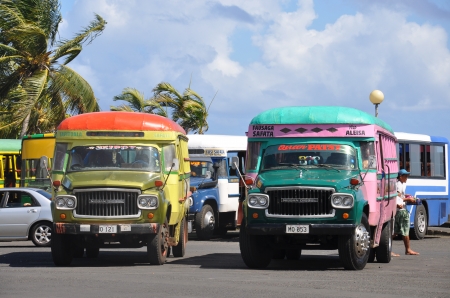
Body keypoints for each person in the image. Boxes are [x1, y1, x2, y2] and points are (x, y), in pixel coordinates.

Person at [392, 169, 420, 256]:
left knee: (395, 231)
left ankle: (387, 248)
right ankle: (408, 249)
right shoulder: (399, 185)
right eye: (405, 176)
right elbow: (397, 197)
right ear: (401, 177)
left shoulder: (399, 184)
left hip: (398, 210)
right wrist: (409, 199)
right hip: (401, 211)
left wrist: (406, 196)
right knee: (405, 231)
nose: (407, 178)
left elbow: (400, 196)